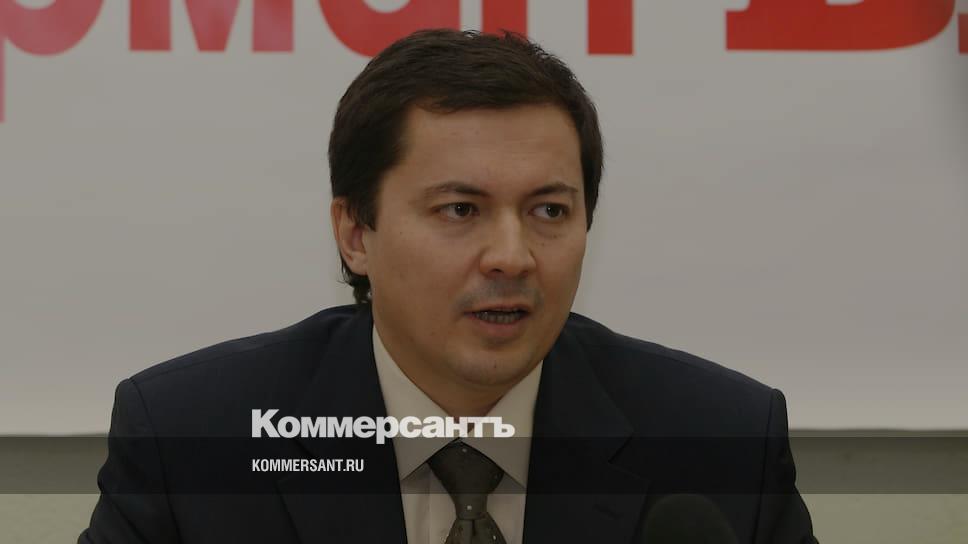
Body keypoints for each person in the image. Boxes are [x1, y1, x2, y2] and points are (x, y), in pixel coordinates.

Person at [79, 29, 817, 543]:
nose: (512, 257)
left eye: (549, 211)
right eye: (460, 210)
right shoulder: (194, 439)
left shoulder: (716, 442)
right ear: (355, 233)